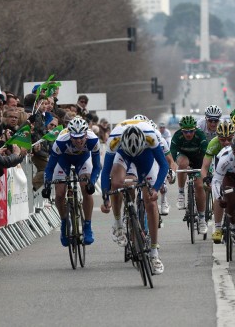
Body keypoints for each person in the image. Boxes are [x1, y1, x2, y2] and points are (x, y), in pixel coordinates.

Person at [100, 121, 168, 274]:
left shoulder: (151, 136)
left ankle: (154, 253)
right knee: (116, 184)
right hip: (124, 156)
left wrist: (156, 189)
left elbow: (163, 165)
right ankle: (118, 223)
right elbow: (105, 172)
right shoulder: (114, 139)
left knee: (151, 202)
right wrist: (105, 198)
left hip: (145, 156)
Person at [42, 118, 101, 246]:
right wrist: (47, 184)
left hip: (83, 160)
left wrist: (92, 182)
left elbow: (97, 167)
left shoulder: (93, 140)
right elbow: (50, 167)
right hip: (64, 160)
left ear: (86, 134)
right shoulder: (60, 141)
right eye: (75, 138)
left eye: (81, 137)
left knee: (86, 189)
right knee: (59, 193)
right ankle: (64, 223)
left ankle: (87, 226)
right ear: (70, 135)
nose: (78, 141)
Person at [170, 115, 208, 234]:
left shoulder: (200, 136)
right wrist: (171, 169)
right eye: (185, 131)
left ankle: (202, 218)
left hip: (198, 159)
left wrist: (205, 170)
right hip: (184, 157)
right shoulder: (177, 136)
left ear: (195, 129)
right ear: (182, 130)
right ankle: (181, 193)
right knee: (183, 163)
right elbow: (171, 155)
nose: (188, 134)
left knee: (199, 186)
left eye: (191, 131)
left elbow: (206, 155)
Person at [201, 120, 235, 243]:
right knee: (218, 194)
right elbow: (205, 166)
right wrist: (206, 179)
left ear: (234, 137)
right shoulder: (214, 143)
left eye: (229, 139)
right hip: (219, 168)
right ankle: (218, 228)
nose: (226, 142)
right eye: (222, 139)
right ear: (217, 137)